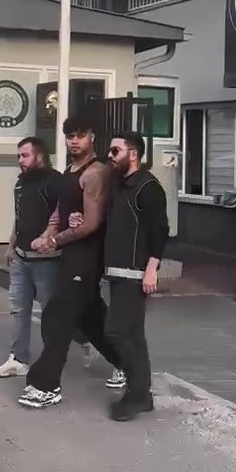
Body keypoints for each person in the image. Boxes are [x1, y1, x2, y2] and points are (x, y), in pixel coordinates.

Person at [18, 115, 123, 408]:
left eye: (80, 135)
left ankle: (46, 385)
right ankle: (129, 364)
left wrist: (53, 241)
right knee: (91, 318)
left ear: (92, 136)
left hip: (87, 256)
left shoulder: (95, 173)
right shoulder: (70, 170)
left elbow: (90, 224)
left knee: (57, 318)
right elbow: (60, 210)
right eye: (69, 136)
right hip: (71, 254)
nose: (74, 141)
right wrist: (48, 232)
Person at [71, 131, 169, 421]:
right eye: (110, 151)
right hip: (116, 273)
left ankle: (137, 395)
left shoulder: (148, 187)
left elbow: (160, 231)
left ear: (133, 154)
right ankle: (142, 394)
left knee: (117, 331)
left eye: (115, 151)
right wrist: (79, 218)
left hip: (135, 274)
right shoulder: (118, 186)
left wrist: (151, 270)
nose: (110, 156)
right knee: (133, 334)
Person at [0, 137, 96, 378]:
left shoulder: (55, 182)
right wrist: (11, 246)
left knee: (54, 314)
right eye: (18, 156)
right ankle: (18, 359)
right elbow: (19, 217)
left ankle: (86, 341)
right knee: (19, 309)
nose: (20, 160)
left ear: (39, 157)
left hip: (48, 261)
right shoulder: (20, 183)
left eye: (25, 155)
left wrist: (53, 237)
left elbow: (67, 214)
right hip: (21, 259)